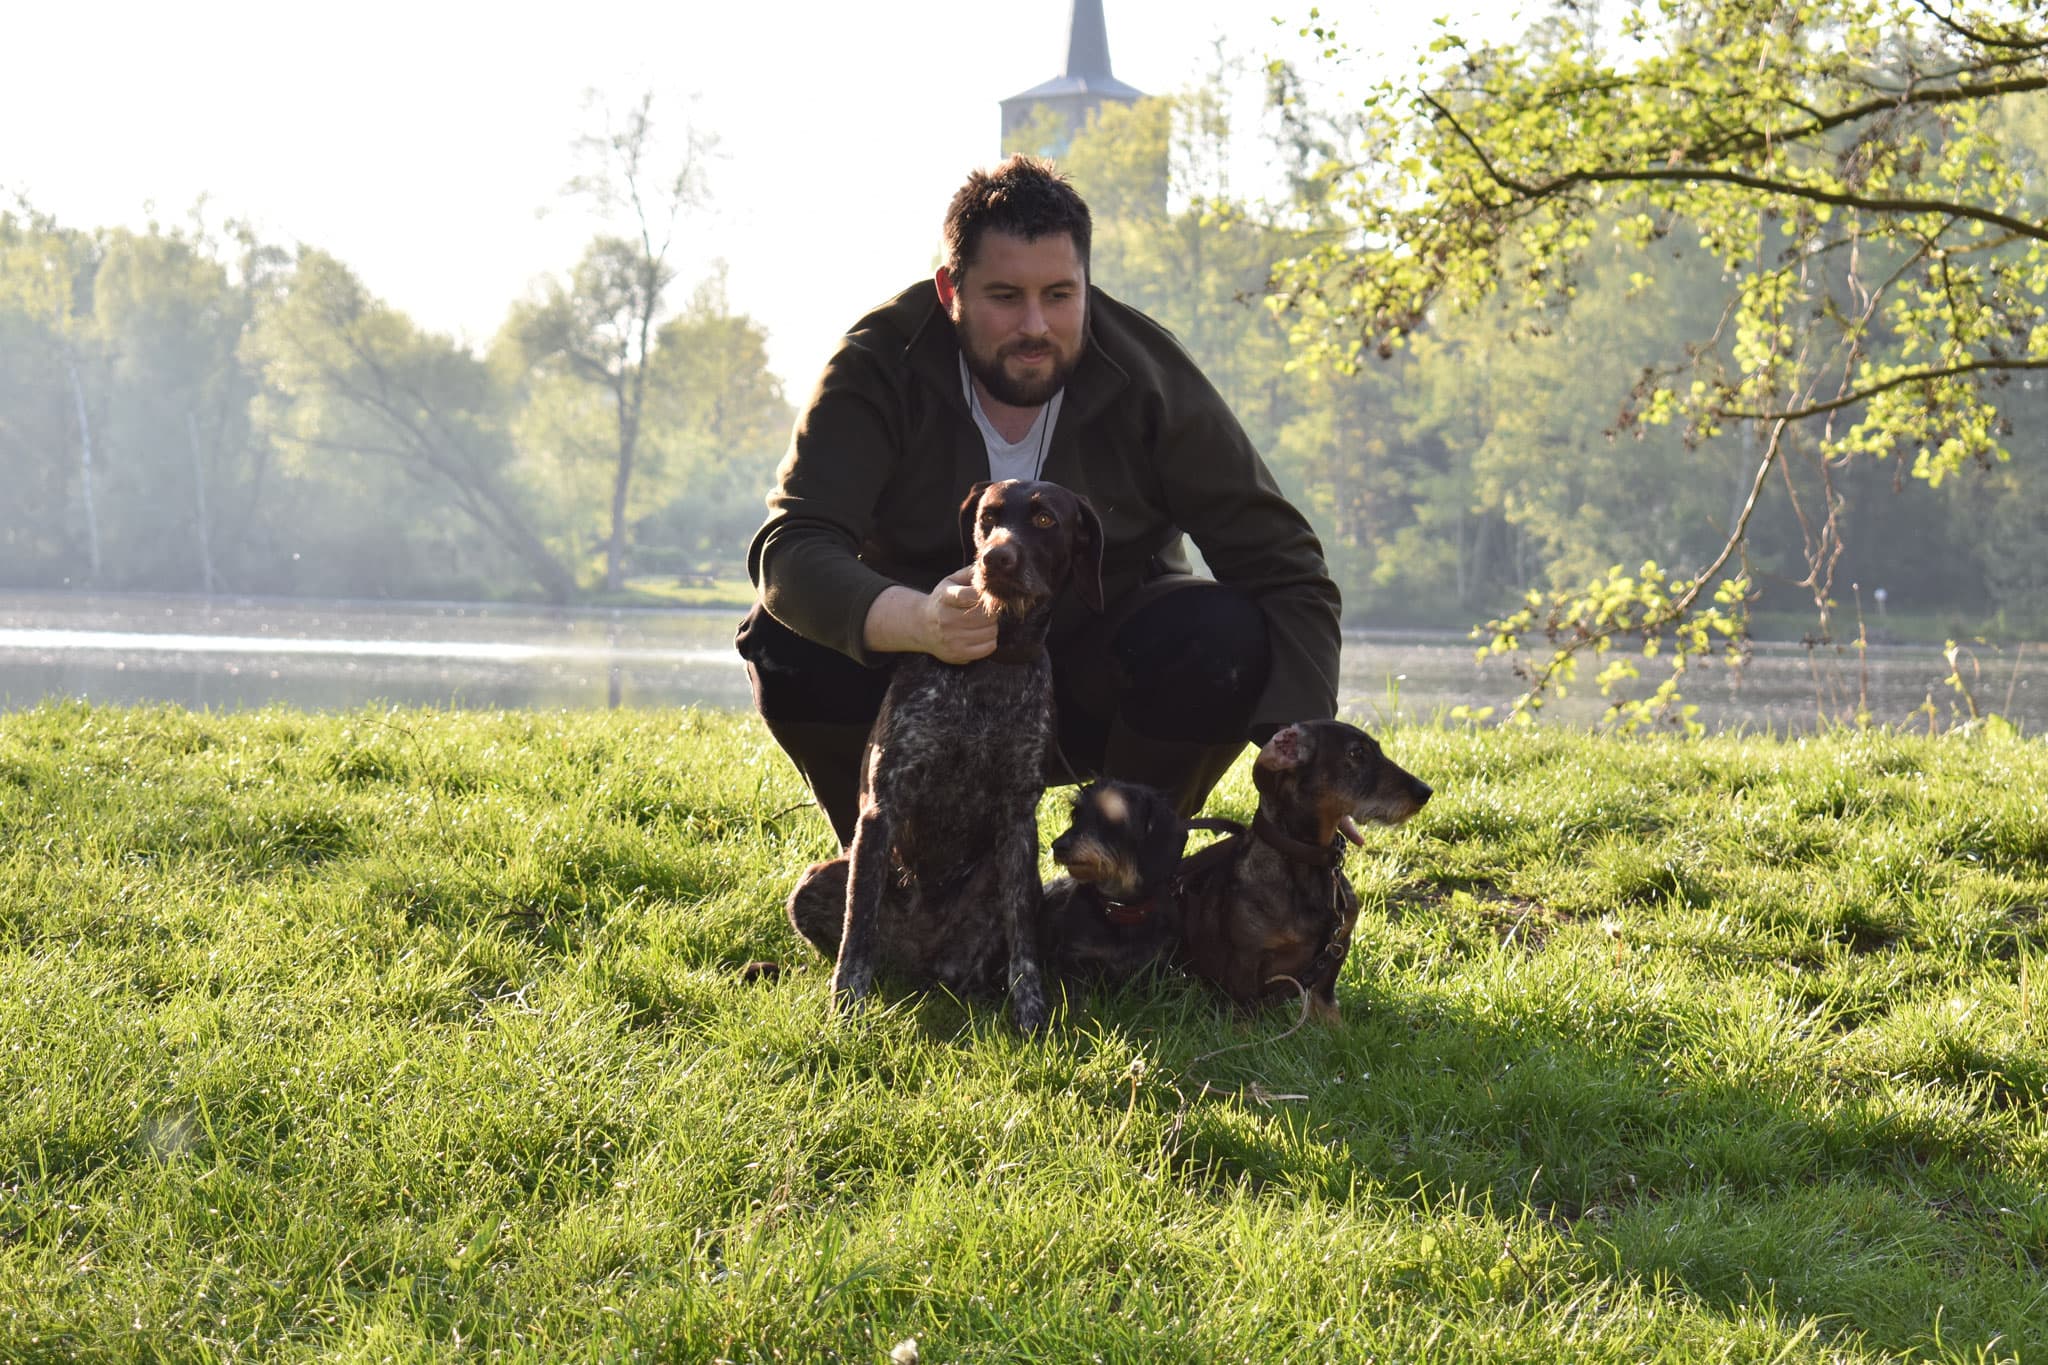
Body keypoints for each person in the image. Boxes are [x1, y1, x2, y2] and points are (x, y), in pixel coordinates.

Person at [736, 154, 1341, 848]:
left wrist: (1309, 754)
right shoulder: (876, 365)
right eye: (1004, 297)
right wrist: (921, 620)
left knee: (1220, 632)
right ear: (948, 289)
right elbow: (792, 548)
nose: (1036, 325)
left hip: (1088, 681)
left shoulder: (1149, 378)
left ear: (1086, 284)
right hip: (917, 677)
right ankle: (902, 869)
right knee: (785, 638)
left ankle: (1123, 872)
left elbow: (1285, 566)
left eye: (1060, 295)